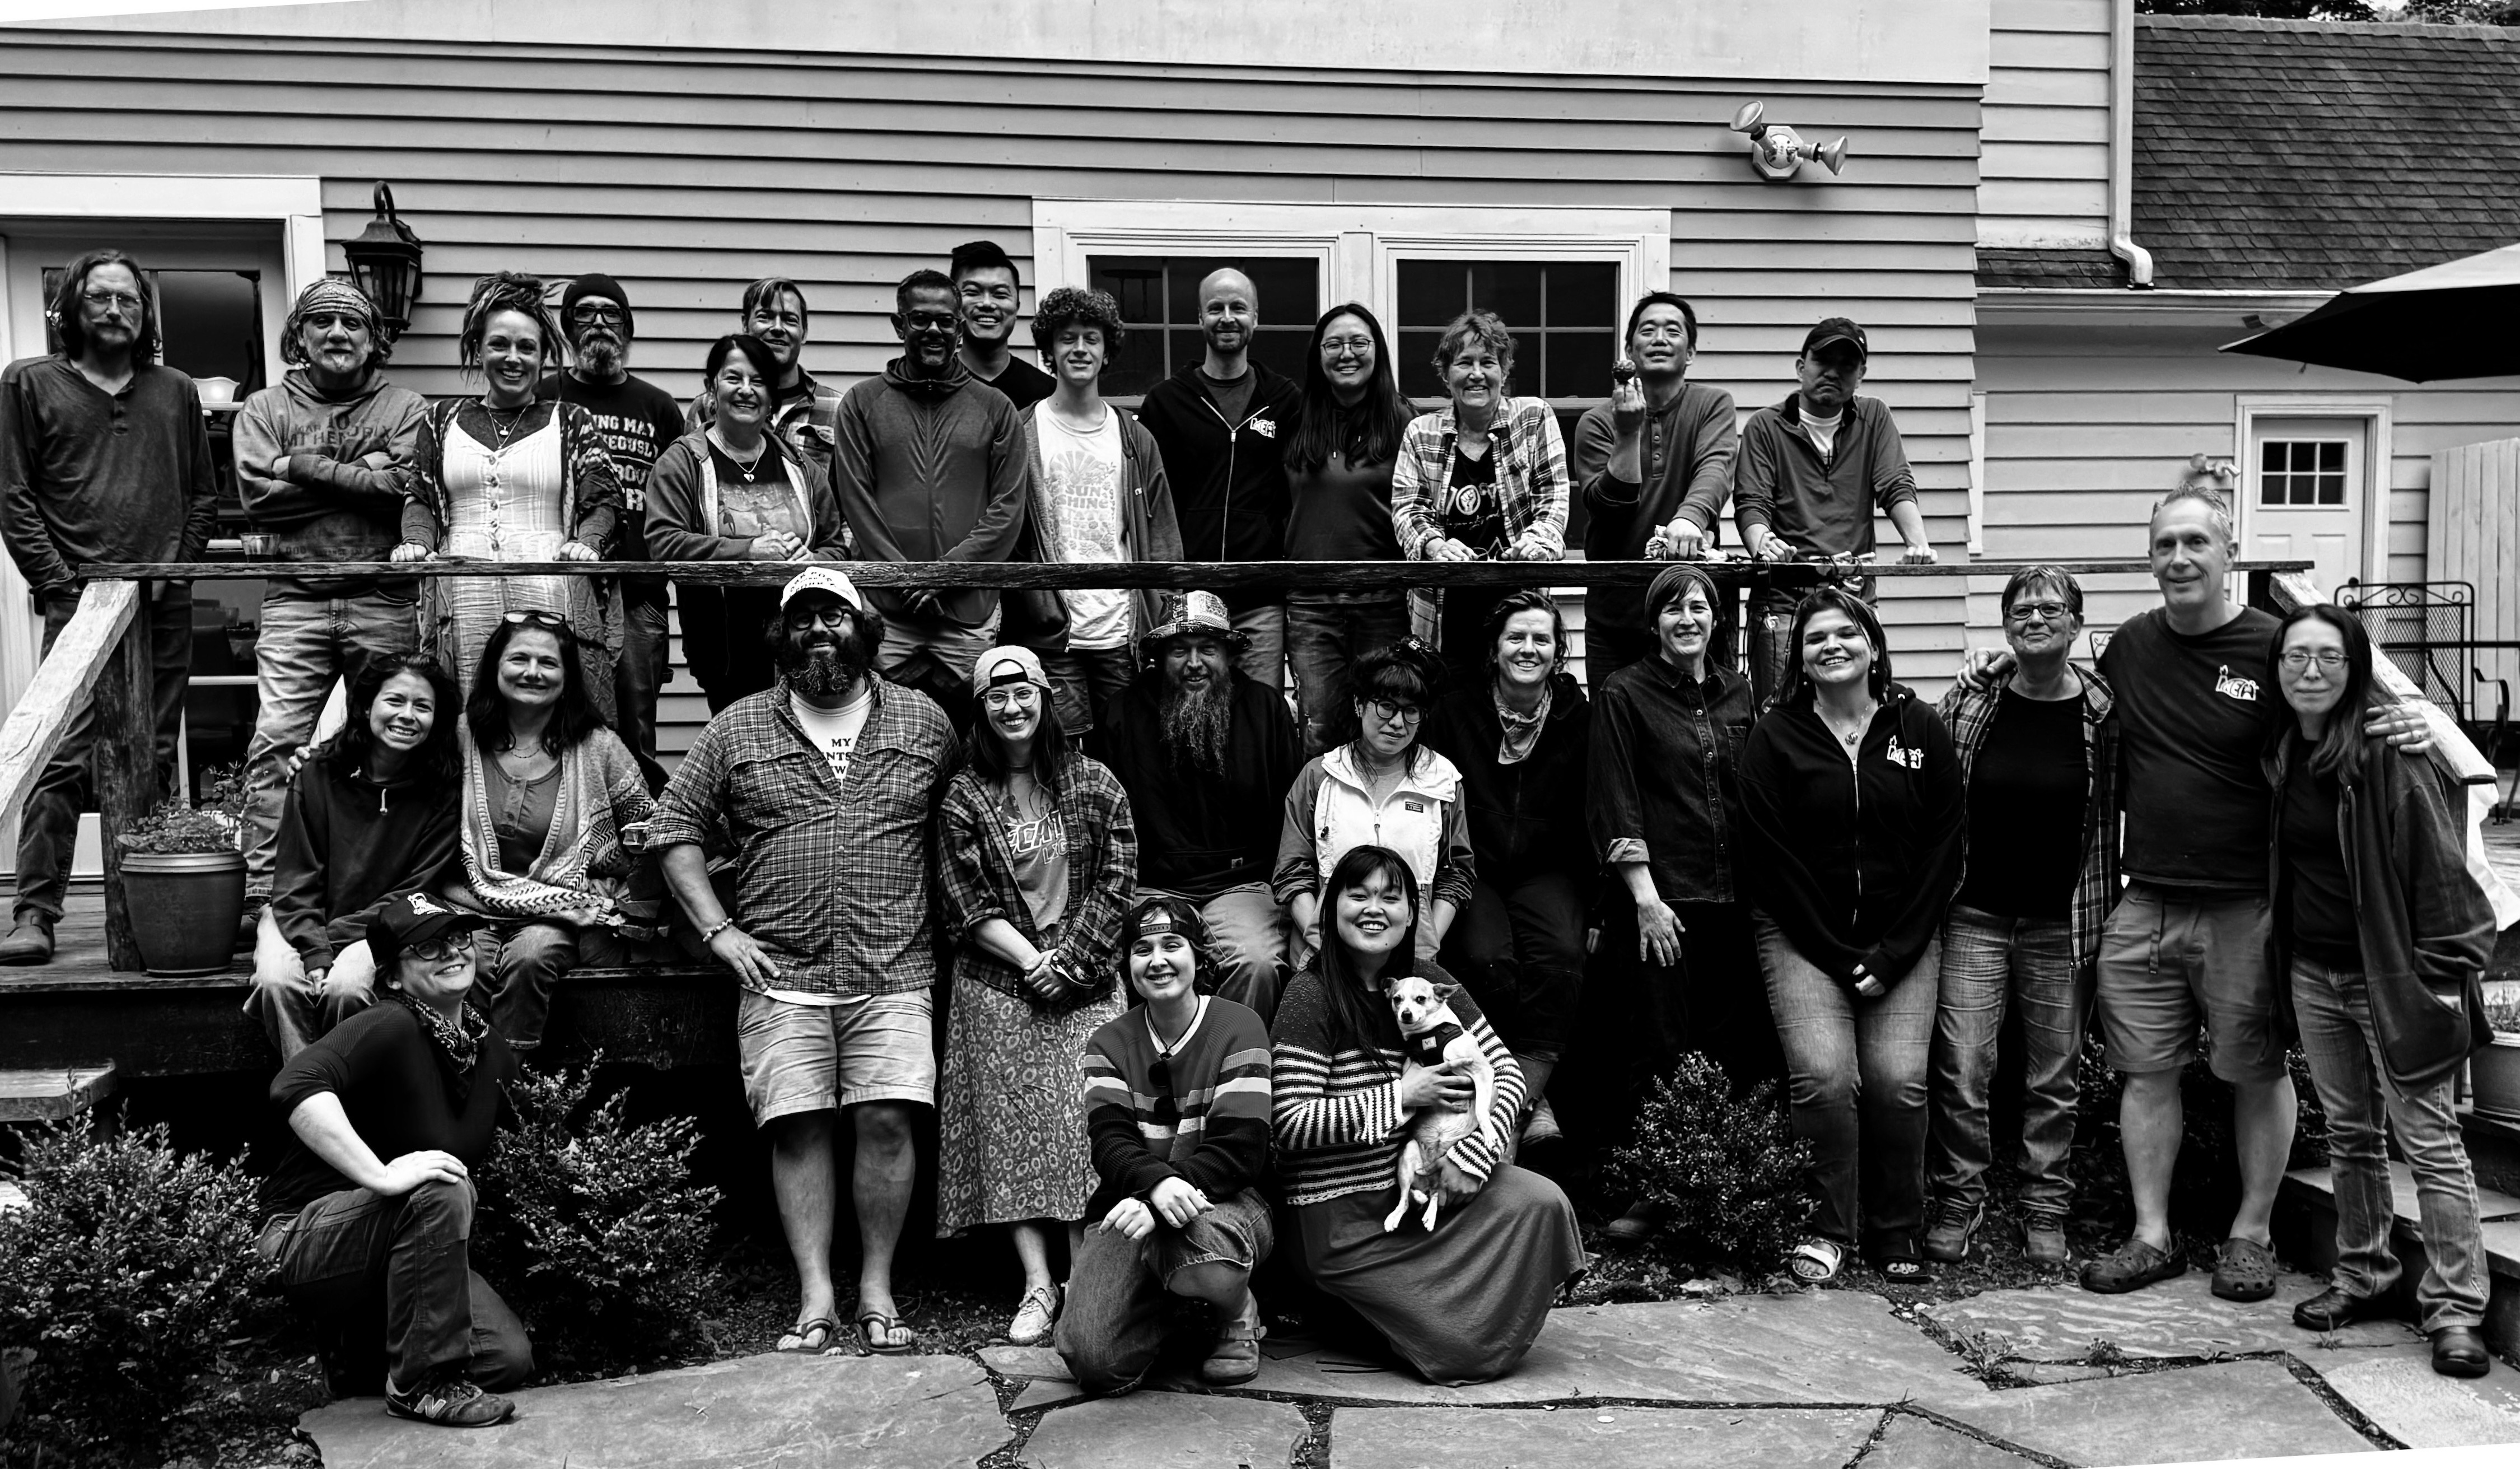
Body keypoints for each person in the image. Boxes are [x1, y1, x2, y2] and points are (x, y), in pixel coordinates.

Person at [1955, 479, 2430, 1302]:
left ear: (2230, 553)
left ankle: (2251, 1233)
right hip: (2145, 899)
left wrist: (2411, 716)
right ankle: (2152, 1234)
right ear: (2150, 559)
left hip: (2245, 903)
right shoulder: (2130, 646)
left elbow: (2343, 700)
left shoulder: (2276, 645)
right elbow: (2063, 688)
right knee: (2146, 1072)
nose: (2180, 558)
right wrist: (2003, 662)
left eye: (2196, 542)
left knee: (2256, 1068)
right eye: (2165, 544)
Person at [648, 566, 956, 1358]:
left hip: (893, 963)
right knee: (799, 1125)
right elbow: (674, 827)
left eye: (835, 616)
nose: (820, 630)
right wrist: (718, 930)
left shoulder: (925, 721)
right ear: (783, 635)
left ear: (865, 629)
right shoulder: (738, 725)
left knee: (887, 1119)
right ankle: (816, 1292)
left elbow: (961, 821)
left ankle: (877, 1286)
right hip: (780, 969)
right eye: (803, 619)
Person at [2266, 605, 2497, 1379]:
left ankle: (2456, 1308)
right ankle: (2364, 1273)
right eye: (2296, 655)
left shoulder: (2388, 752)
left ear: (2355, 667)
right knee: (2351, 1132)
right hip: (2314, 974)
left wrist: (2443, 974)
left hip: (2392, 978)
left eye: (2329, 657)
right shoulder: (2282, 750)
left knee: (2429, 1141)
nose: (2310, 670)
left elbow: (2440, 870)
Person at [1271, 845, 1583, 1386]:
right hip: (1345, 1218)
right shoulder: (1311, 994)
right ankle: (1366, 1310)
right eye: (1359, 895)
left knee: (1542, 1201)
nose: (1375, 909)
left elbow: (1507, 1074)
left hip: (1431, 1182)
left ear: (1412, 912)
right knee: (1461, 1347)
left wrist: (1473, 1155)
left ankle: (1412, 1312)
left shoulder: (1428, 978)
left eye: (1391, 897)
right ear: (1331, 906)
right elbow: (1291, 1124)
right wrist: (1402, 1094)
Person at [0, 249, 217, 965]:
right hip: (81, 606)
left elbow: (203, 496)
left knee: (151, 755)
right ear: (71, 307)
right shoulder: (30, 382)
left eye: (129, 299)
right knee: (63, 756)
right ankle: (35, 913)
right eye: (100, 297)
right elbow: (13, 495)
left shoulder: (175, 389)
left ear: (145, 314)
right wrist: (60, 583)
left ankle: (151, 915)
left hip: (162, 603)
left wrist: (174, 573)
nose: (116, 310)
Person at [1740, 587, 1963, 1285]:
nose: (1831, 646)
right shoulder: (1776, 736)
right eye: (1815, 638)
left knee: (1898, 1082)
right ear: (1799, 659)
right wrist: (1838, 956)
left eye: (1845, 633)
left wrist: (1895, 952)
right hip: (1804, 937)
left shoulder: (1918, 727)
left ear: (1873, 645)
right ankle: (1827, 1227)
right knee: (1825, 1077)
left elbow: (1944, 845)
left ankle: (1896, 1226)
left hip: (1903, 937)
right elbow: (1770, 858)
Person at [256, 892, 530, 1427]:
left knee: (505, 1356)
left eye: (458, 937)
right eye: (426, 947)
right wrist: (380, 1176)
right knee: (442, 1182)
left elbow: (540, 1132)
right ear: (394, 977)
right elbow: (295, 1083)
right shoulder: (389, 1022)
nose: (451, 952)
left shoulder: (487, 1048)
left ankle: (357, 1348)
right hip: (301, 1236)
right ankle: (420, 1385)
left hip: (402, 1248)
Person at [934, 645, 1138, 1345]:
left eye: (1024, 693)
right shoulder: (964, 795)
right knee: (1010, 1127)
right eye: (997, 696)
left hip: (1085, 979)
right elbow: (964, 900)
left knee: (1083, 1123)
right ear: (982, 710)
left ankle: (1085, 1276)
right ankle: (1037, 1282)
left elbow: (1117, 881)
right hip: (999, 979)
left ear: (1047, 700)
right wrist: (1033, 963)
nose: (1012, 706)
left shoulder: (1095, 781)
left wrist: (1072, 963)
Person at [1922, 566, 2117, 1269]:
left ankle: (2045, 1206)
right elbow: (1922, 771)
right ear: (2005, 625)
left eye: (2051, 609)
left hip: (2062, 923)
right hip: (1975, 913)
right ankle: (1960, 1197)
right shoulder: (1972, 700)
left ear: (2076, 624)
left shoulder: (2104, 712)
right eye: (2021, 610)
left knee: (2054, 1074)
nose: (2035, 619)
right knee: (1963, 1065)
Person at [1585, 563, 1776, 1244]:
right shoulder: (1624, 693)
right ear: (1654, 622)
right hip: (1662, 904)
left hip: (1734, 898)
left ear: (1716, 618)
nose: (1687, 618)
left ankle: (1716, 1189)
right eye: (1672, 609)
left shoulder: (1740, 691)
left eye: (1698, 606)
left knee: (1729, 1045)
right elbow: (1614, 796)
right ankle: (1652, 1188)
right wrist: (1644, 897)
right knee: (1658, 1045)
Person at [231, 279, 429, 934]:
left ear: (374, 340)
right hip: (296, 599)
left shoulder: (405, 406)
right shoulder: (264, 408)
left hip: (384, 597)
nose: (338, 333)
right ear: (299, 336)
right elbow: (259, 499)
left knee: (391, 744)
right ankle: (263, 892)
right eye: (322, 321)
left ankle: (380, 888)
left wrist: (301, 466)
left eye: (353, 323)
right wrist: (363, 469)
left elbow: (404, 490)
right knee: (276, 744)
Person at [1058, 897, 1274, 1393]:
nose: (1157, 960)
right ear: (1127, 964)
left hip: (1226, 1203)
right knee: (1092, 1358)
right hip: (1132, 1206)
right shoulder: (1108, 1043)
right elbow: (1110, 1143)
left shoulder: (1239, 1026)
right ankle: (1168, 1313)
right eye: (1142, 949)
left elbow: (1240, 1148)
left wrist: (1160, 1198)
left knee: (1198, 1246)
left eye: (1172, 945)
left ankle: (1236, 1309)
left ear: (1198, 955)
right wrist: (1155, 1189)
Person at [394, 272, 620, 720]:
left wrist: (589, 543)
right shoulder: (440, 420)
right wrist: (416, 540)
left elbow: (604, 500)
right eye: (499, 344)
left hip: (550, 588)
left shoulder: (571, 421)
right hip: (463, 592)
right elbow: (419, 496)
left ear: (543, 356)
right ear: (478, 348)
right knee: (465, 712)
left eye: (526, 347)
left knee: (551, 710)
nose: (512, 358)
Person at [1421, 590, 1590, 1157]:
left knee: (1561, 954)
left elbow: (1595, 809)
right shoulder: (1455, 711)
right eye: (1516, 637)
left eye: (1542, 638)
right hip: (1479, 866)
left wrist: (1598, 901)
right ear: (1494, 649)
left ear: (1559, 651)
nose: (1528, 648)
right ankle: (1521, 1094)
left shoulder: (1578, 716)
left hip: (1549, 868)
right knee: (1488, 958)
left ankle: (1519, 1105)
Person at [445, 612, 660, 1055]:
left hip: (558, 913)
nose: (533, 672)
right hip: (470, 904)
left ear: (567, 676)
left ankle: (509, 1084)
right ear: (495, 666)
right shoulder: (459, 736)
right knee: (470, 963)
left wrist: (616, 888)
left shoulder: (598, 746)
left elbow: (649, 826)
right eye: (519, 659)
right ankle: (465, 1076)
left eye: (548, 662)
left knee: (531, 957)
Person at [833, 269, 1029, 728]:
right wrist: (908, 581)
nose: (934, 330)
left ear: (960, 327)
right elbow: (857, 502)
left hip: (968, 611)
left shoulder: (996, 408)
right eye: (920, 319)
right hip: (888, 609)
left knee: (972, 736)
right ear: (899, 325)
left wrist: (944, 577)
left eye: (945, 320)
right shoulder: (861, 404)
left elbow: (1007, 510)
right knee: (881, 733)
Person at [1094, 591, 1301, 1023]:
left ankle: (1236, 1058)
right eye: (1179, 650)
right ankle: (1166, 1062)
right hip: (1154, 885)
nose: (1194, 663)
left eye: (1207, 648)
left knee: (1257, 962)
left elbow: (1290, 811)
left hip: (1243, 884)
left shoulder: (1266, 708)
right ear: (1159, 658)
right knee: (1153, 961)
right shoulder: (1121, 714)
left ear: (1228, 654)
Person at [246, 654, 464, 1060]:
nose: (407, 715)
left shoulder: (442, 789)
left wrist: (325, 945)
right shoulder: (316, 772)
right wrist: (313, 945)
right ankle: (309, 1091)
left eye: (423, 706)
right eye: (394, 701)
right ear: (365, 707)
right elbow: (295, 878)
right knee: (277, 981)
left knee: (348, 987)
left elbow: (416, 890)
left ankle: (342, 1087)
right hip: (300, 914)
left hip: (386, 925)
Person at [1733, 318, 1934, 706]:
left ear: (1861, 375)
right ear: (1801, 366)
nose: (1833, 372)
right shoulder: (1765, 426)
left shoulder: (1874, 417)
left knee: (1861, 708)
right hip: (1784, 603)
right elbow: (1752, 502)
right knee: (1782, 713)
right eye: (1823, 361)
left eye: (1847, 365)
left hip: (1854, 598)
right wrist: (1763, 544)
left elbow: (1894, 483)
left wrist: (1918, 543)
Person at [646, 334, 848, 712]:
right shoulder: (683, 462)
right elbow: (664, 543)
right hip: (723, 652)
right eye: (733, 378)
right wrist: (749, 551)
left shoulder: (801, 468)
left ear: (771, 396)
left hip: (803, 644)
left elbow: (836, 546)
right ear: (711, 389)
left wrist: (812, 560)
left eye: (758, 381)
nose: (746, 390)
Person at [537, 273, 687, 780]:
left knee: (636, 726)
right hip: (561, 586)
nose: (600, 322)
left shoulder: (658, 406)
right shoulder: (543, 397)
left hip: (640, 590)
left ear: (628, 329)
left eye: (612, 313)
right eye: (586, 312)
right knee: (557, 717)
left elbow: (681, 499)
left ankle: (640, 823)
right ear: (567, 327)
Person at [1022, 286, 1182, 738]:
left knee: (1128, 747)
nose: (1080, 348)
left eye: (1091, 338)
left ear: (1106, 350)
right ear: (1050, 350)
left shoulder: (1134, 437)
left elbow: (1163, 532)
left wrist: (1166, 614)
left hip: (1121, 630)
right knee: (1062, 752)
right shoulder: (1022, 430)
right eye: (1067, 338)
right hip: (1054, 633)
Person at [1133, 267, 1302, 689]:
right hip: (1188, 595)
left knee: (1260, 706)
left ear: (1255, 317)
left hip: (1260, 595)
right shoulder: (1166, 403)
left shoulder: (1285, 401)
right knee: (1190, 708)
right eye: (1216, 308)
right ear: (1200, 318)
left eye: (1238, 308)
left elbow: (1300, 492)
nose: (1227, 318)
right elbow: (1147, 502)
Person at [1389, 309, 1569, 687]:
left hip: (1519, 607)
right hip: (1445, 611)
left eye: (1488, 362)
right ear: (1445, 373)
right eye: (1464, 363)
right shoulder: (1421, 433)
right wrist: (1436, 546)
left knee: (1518, 698)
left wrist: (1536, 543)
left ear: (1504, 370)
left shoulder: (1534, 418)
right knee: (1449, 706)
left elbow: (1553, 498)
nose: (1476, 374)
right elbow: (1408, 508)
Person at [1569, 292, 1737, 691]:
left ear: (1690, 352)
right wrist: (1628, 433)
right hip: (1617, 616)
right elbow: (1610, 509)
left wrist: (1690, 518)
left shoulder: (1713, 405)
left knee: (1702, 723)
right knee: (1614, 722)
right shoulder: (1597, 422)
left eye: (1672, 331)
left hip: (1690, 615)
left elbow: (1715, 469)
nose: (1660, 338)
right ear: (1629, 350)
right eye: (1648, 330)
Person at [1275, 640, 1473, 967]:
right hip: (1324, 956)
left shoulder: (1443, 782)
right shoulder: (1321, 776)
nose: (1397, 722)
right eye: (1386, 706)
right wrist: (1321, 938)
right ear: (1359, 704)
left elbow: (1456, 874)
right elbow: (1292, 871)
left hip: (1409, 963)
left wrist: (1426, 944)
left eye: (1411, 711)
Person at [1283, 302, 1416, 757]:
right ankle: (1323, 804)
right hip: (1311, 603)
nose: (1347, 353)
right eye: (1334, 344)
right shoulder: (1295, 418)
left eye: (1359, 342)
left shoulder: (1402, 420)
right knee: (1319, 727)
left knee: (1384, 722)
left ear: (1377, 350)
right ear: (1318, 354)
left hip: (1382, 601)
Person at [687, 277, 845, 492]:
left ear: (804, 332)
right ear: (745, 324)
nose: (778, 328)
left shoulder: (838, 409)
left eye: (790, 320)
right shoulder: (707, 406)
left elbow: (844, 500)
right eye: (765, 317)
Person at [951, 240, 1057, 411]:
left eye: (1000, 294)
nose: (987, 304)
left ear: (1017, 307)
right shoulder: (933, 387)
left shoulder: (1047, 396)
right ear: (953, 304)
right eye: (973, 292)